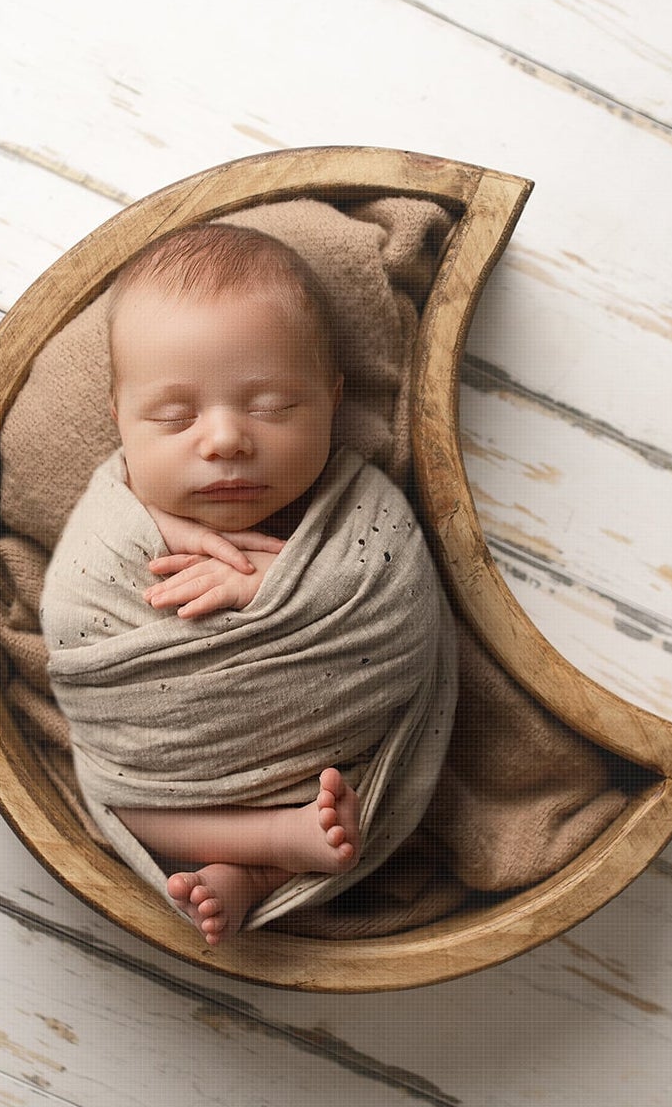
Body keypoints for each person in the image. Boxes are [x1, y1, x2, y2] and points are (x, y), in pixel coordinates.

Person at [41, 222, 452, 946]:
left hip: (329, 749)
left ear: (332, 399)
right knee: (115, 792)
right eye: (174, 415)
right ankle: (267, 847)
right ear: (119, 421)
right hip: (161, 768)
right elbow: (72, 612)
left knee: (348, 789)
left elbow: (401, 605)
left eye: (271, 406)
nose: (226, 438)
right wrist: (161, 532)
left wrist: (282, 587)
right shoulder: (114, 517)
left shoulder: (358, 508)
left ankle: (258, 866)